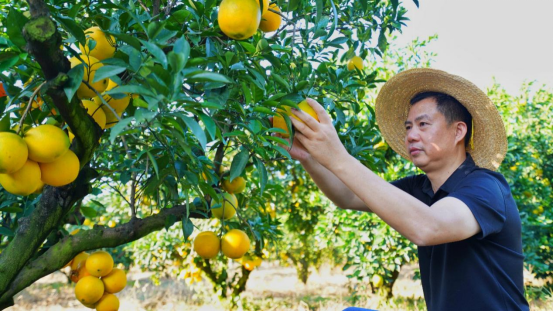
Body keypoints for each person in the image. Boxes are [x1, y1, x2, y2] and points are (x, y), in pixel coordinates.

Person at [282, 69, 529, 311]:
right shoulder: (419, 188)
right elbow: (347, 195)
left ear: (458, 131)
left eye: (423, 124)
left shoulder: (486, 187)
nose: (411, 135)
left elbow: (429, 227)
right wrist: (308, 157)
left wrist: (338, 157)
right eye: (408, 126)